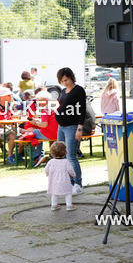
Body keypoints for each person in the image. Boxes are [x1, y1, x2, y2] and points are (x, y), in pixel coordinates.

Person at [55, 67, 86, 195]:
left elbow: (82, 110)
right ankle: (68, 181)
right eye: (62, 81)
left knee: (71, 156)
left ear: (71, 77)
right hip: (61, 126)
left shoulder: (79, 90)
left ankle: (77, 183)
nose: (65, 83)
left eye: (66, 80)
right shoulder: (63, 91)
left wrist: (79, 128)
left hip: (72, 126)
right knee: (60, 155)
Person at [45, 141, 77, 211]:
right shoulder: (66, 161)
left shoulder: (51, 162)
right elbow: (70, 170)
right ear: (65, 152)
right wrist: (74, 175)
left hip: (54, 181)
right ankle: (69, 205)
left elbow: (46, 169)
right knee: (68, 193)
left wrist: (47, 174)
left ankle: (54, 205)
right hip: (65, 181)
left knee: (54, 193)